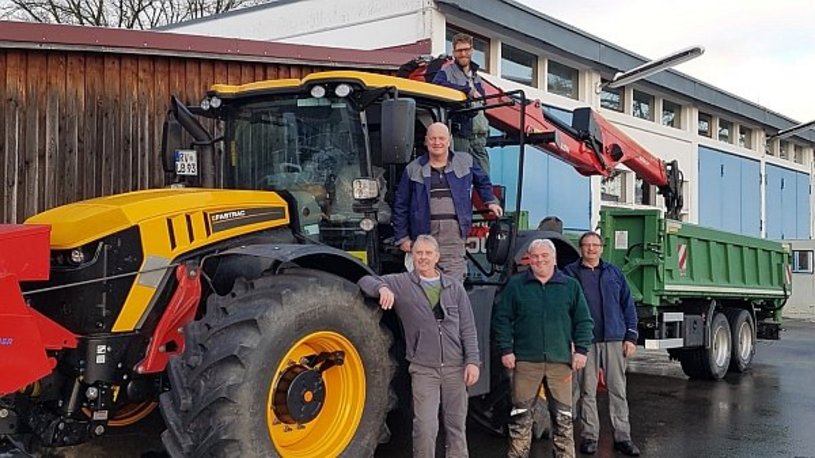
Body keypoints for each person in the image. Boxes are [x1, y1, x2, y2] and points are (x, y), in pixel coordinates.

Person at [357, 234, 480, 458]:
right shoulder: (401, 283)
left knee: (456, 426)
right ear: (412, 257)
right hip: (424, 369)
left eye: (428, 253)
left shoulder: (454, 287)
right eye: (419, 253)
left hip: (455, 367)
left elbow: (468, 328)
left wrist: (472, 361)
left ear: (437, 257)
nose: (423, 257)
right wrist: (382, 289)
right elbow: (365, 281)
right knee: (425, 427)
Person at [493, 239, 594, 458]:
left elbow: (584, 321)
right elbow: (502, 319)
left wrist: (581, 350)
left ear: (554, 259)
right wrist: (506, 349)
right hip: (525, 363)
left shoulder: (570, 286)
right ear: (529, 260)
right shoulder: (516, 286)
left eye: (545, 256)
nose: (540, 260)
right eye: (535, 257)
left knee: (563, 418)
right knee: (520, 417)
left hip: (560, 363)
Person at [563, 232, 641, 456]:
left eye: (595, 245)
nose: (591, 249)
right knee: (587, 390)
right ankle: (589, 437)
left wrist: (631, 336)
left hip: (614, 338)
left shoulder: (614, 273)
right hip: (585, 341)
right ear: (580, 248)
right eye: (587, 245)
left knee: (618, 389)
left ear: (601, 248)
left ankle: (623, 437)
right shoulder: (569, 273)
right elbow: (564, 308)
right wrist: (570, 339)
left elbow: (628, 305)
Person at [392, 122, 502, 281]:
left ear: (449, 140)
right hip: (424, 237)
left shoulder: (466, 161)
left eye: (441, 138)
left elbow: (483, 181)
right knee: (424, 285)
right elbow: (400, 205)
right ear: (426, 141)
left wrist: (490, 201)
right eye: (433, 138)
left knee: (453, 285)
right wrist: (402, 238)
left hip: (454, 238)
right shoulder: (413, 169)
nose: (437, 142)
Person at [432, 33, 491, 174]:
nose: (463, 54)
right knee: (461, 178)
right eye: (459, 50)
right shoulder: (446, 72)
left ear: (472, 51)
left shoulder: (477, 77)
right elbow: (436, 86)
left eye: (466, 50)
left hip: (479, 138)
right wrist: (466, 90)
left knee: (484, 180)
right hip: (461, 136)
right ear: (453, 52)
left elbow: (482, 103)